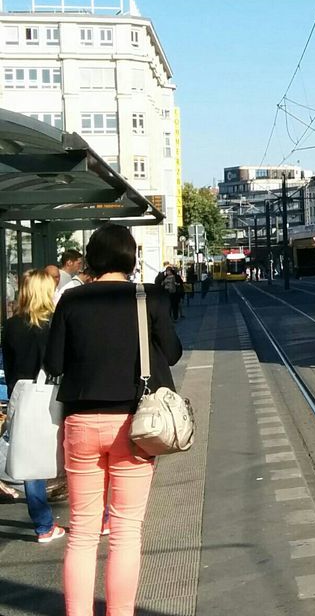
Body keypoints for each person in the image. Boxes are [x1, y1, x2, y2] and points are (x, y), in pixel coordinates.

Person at [45, 223, 183, 616]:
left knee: (83, 534)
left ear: (92, 256)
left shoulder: (71, 302)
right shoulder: (148, 298)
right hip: (135, 426)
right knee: (125, 532)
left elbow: (54, 363)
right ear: (130, 257)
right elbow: (172, 353)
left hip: (81, 424)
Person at [1, 269, 65, 544]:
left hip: (22, 396)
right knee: (71, 452)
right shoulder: (53, 325)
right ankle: (94, 517)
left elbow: (10, 365)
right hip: (53, 395)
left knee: (30, 458)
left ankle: (43, 525)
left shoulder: (12, 326)